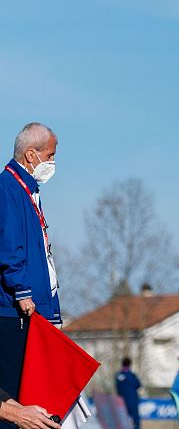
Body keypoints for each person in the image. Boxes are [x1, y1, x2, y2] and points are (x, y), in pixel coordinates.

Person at [0, 122, 61, 429]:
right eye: (50, 156)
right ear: (30, 154)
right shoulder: (7, 188)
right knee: (12, 396)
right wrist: (22, 292)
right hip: (14, 312)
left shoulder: (29, 189)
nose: (52, 163)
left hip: (34, 308)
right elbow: (10, 245)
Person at [115, 358, 142, 429]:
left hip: (122, 402)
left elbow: (117, 387)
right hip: (133, 401)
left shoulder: (118, 376)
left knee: (123, 421)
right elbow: (138, 384)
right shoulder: (132, 375)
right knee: (136, 421)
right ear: (130, 365)